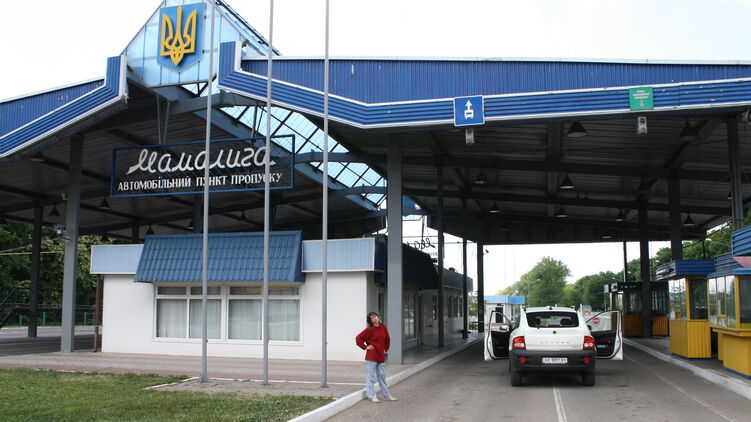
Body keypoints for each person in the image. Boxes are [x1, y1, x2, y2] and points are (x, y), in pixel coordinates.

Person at [355, 312, 398, 403]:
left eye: (375, 316)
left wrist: (385, 349)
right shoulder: (369, 330)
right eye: (372, 318)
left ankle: (387, 395)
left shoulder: (383, 327)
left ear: (378, 317)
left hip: (380, 356)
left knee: (382, 377)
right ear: (370, 321)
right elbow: (358, 338)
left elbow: (387, 339)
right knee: (371, 377)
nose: (374, 318)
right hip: (371, 356)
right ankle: (372, 396)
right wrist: (365, 347)